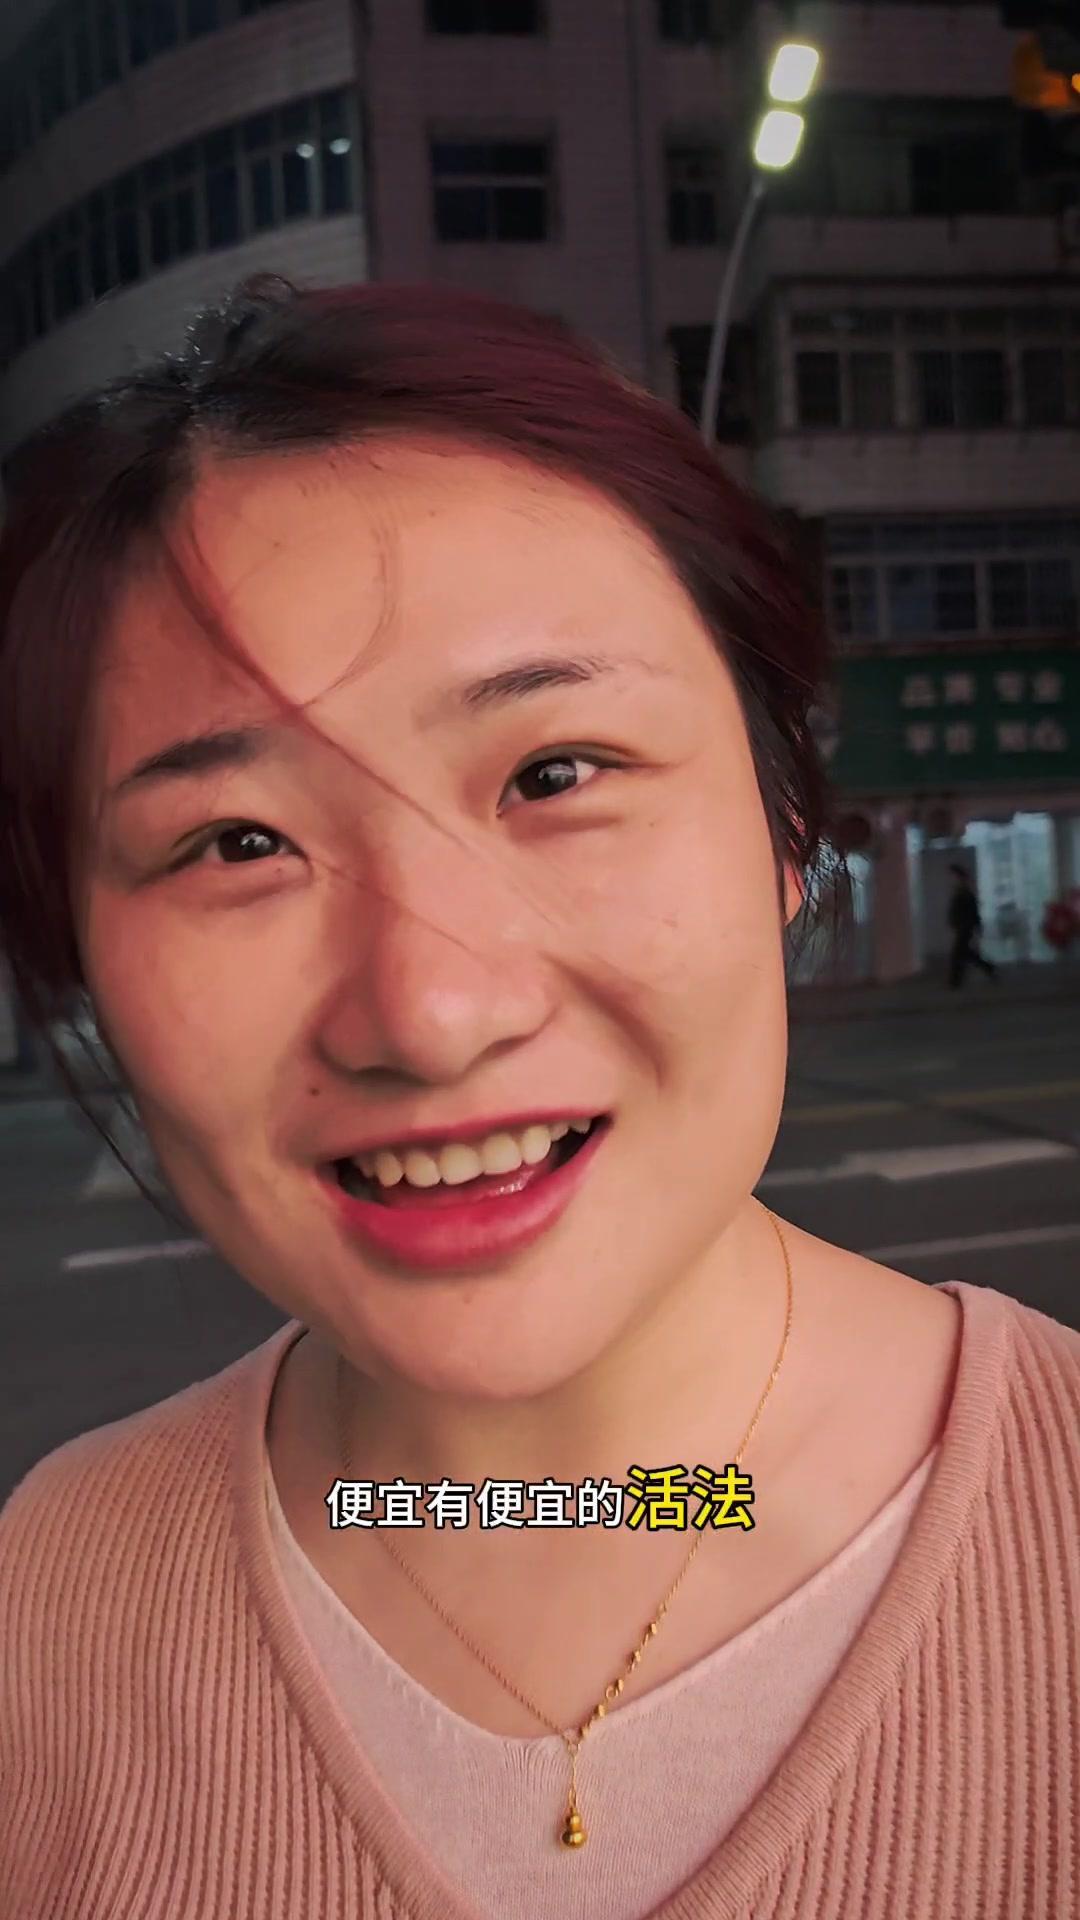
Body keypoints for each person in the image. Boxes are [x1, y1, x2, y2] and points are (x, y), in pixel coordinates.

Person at [0, 277, 1076, 1920]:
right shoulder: (48, 1612)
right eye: (236, 844)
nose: (429, 1017)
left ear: (787, 826)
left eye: (555, 773)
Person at [946, 863, 997, 989]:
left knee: (958, 954)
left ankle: (955, 981)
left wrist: (976, 925)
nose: (951, 879)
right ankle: (988, 967)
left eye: (953, 876)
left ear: (958, 877)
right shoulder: (960, 891)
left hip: (965, 926)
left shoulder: (964, 892)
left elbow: (972, 911)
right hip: (963, 926)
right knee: (966, 953)